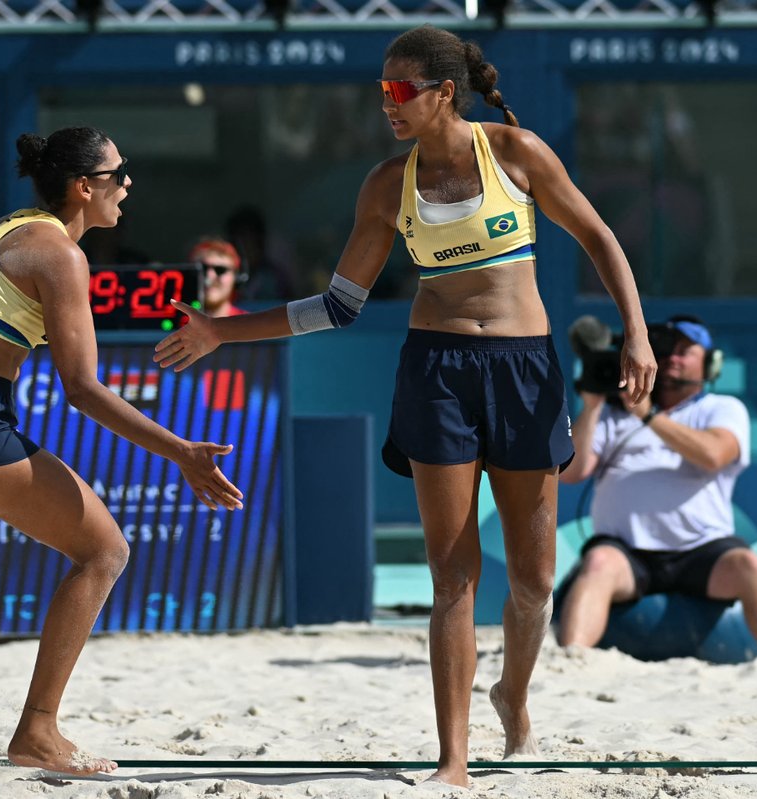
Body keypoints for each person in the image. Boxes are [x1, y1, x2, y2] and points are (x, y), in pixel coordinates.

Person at [154, 25, 656, 787]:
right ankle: (453, 759)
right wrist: (224, 330)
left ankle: (513, 696)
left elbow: (601, 238)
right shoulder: (388, 183)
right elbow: (338, 304)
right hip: (437, 370)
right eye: (380, 90)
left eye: (399, 90)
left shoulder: (515, 152)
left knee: (532, 580)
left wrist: (637, 336)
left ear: (444, 92)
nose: (386, 104)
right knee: (451, 576)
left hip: (523, 368)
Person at [0, 126, 243, 780]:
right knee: (104, 551)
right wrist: (182, 451)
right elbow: (82, 389)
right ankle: (38, 731)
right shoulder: (62, 256)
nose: (127, 184)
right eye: (117, 174)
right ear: (83, 187)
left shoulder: (6, 228)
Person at [557, 315, 757, 655]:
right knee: (598, 563)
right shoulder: (614, 415)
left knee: (748, 566)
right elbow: (572, 473)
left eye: (685, 351)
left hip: (701, 550)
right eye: (665, 351)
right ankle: (571, 661)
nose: (673, 358)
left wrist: (648, 416)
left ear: (711, 363)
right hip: (627, 552)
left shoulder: (722, 408)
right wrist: (592, 406)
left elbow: (713, 455)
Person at [189, 237, 247, 318]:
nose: (209, 276)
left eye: (220, 270)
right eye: (203, 269)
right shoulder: (176, 322)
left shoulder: (249, 324)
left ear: (236, 277)